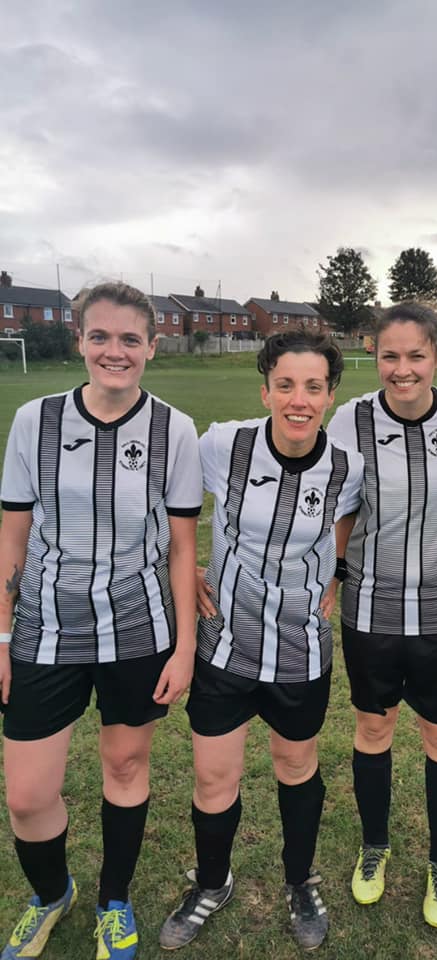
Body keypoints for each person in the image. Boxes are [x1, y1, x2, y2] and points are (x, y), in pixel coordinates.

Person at [0, 282, 202, 960]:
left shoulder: (174, 428)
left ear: (151, 345)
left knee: (125, 764)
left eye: (129, 339)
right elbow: (11, 541)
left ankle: (113, 900)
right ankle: (51, 894)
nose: (114, 351)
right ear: (80, 339)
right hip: (46, 625)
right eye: (100, 337)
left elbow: (180, 548)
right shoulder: (36, 420)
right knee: (28, 796)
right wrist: (1, 637)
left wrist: (183, 648)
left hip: (138, 628)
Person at [158, 330, 363, 952]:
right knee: (213, 777)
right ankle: (212, 883)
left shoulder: (346, 467)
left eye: (313, 387)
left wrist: (336, 567)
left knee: (296, 767)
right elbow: (168, 501)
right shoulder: (224, 444)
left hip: (300, 648)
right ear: (265, 388)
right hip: (225, 646)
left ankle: (300, 881)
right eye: (285, 385)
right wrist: (185, 565)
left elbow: (347, 521)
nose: (298, 400)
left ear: (330, 394)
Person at [326, 301, 437, 928]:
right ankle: (374, 848)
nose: (402, 369)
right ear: (375, 356)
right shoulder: (350, 419)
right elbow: (336, 503)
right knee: (373, 730)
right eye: (390, 356)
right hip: (371, 606)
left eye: (416, 355)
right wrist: (336, 573)